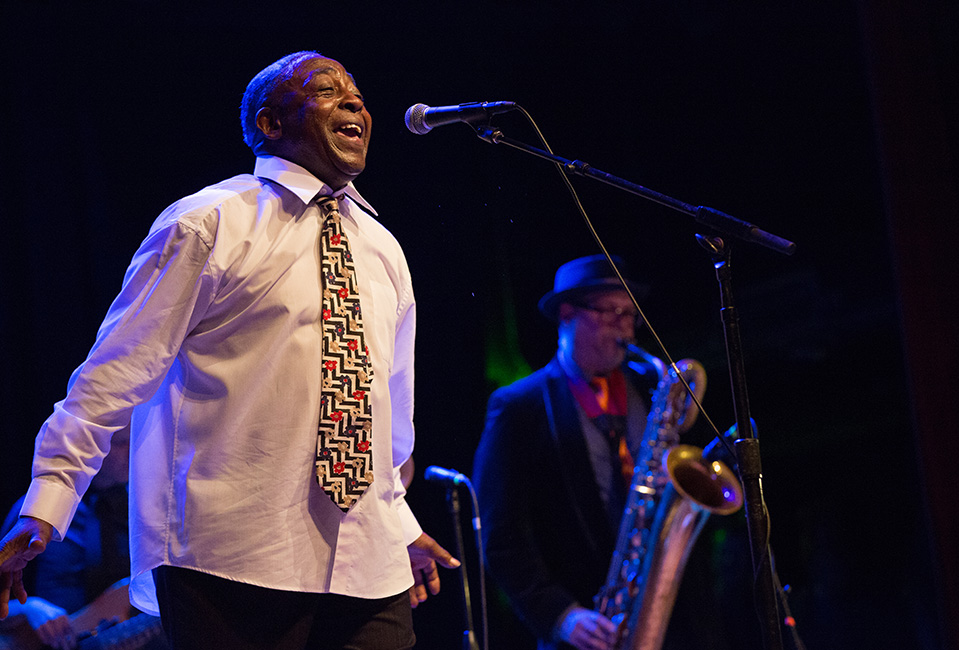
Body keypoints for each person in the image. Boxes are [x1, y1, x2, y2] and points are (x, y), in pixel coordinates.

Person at [0, 51, 457, 650]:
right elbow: (113, 376)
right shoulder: (208, 223)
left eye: (358, 94)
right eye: (326, 90)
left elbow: (387, 419)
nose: (354, 102)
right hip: (233, 557)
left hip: (367, 563)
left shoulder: (382, 247)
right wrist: (48, 500)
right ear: (270, 123)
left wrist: (398, 521)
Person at [472, 254, 727, 650]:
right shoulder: (519, 406)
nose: (625, 326)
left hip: (679, 620)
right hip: (590, 623)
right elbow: (502, 537)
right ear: (567, 314)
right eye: (610, 311)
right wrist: (560, 616)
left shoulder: (650, 388)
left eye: (630, 314)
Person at [0, 427, 165, 650]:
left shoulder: (148, 511)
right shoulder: (37, 511)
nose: (132, 452)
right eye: (120, 443)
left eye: (135, 441)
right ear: (92, 446)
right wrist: (29, 608)